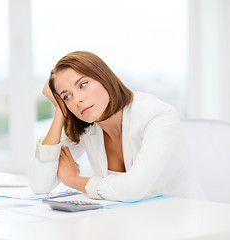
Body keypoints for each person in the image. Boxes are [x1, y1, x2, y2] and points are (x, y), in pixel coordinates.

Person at [29, 51, 202, 202]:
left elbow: (133, 189)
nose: (77, 100)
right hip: (128, 219)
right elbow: (40, 184)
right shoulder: (88, 126)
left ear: (103, 77)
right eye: (66, 96)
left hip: (182, 217)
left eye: (83, 85)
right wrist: (59, 110)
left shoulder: (156, 114)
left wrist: (71, 179)